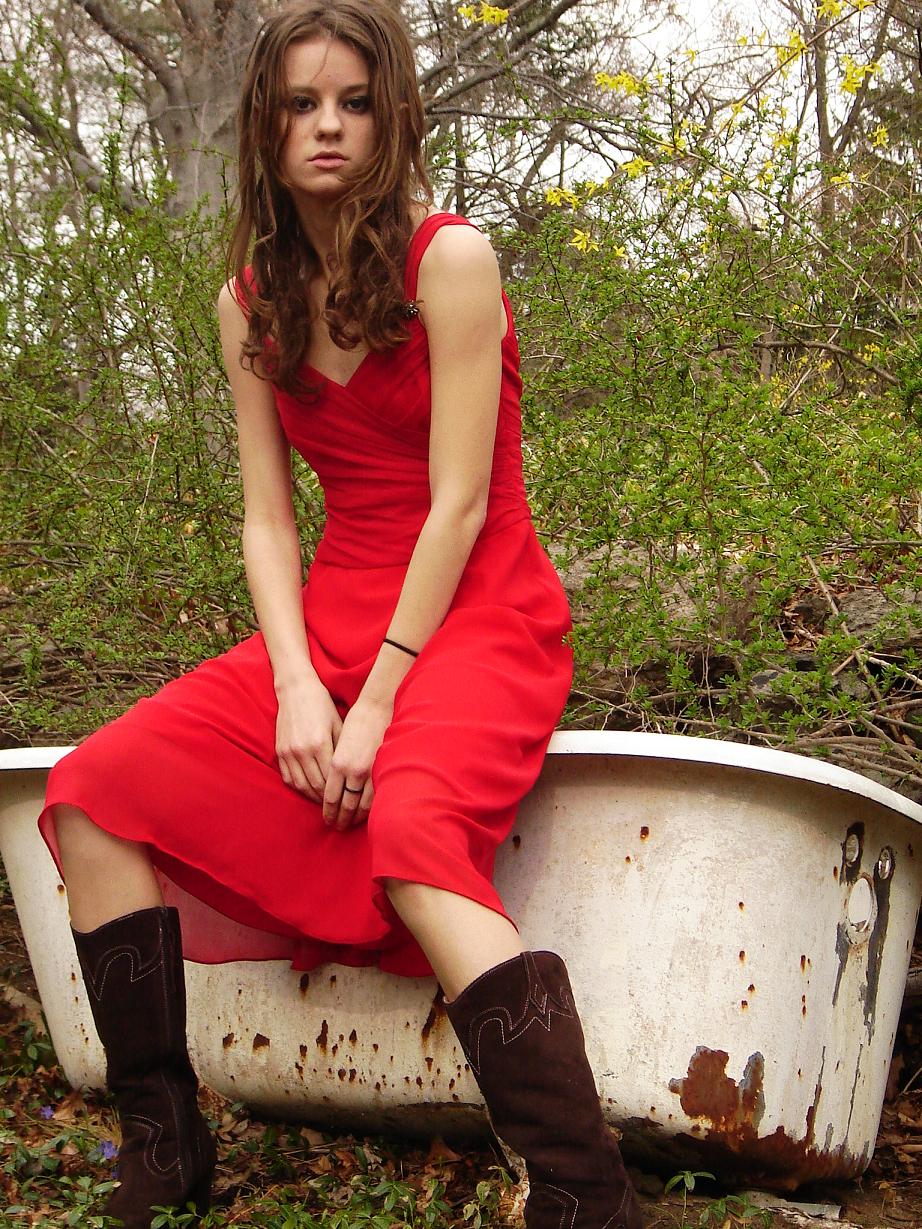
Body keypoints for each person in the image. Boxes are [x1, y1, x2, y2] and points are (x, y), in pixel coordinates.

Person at [38, 3, 643, 1227]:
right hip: (330, 619)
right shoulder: (248, 296)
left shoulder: (448, 262)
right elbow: (268, 519)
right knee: (94, 789)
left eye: (354, 102)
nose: (327, 127)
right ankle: (163, 1141)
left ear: (393, 115)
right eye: (300, 103)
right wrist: (297, 684)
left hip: (473, 611)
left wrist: (373, 701)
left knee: (414, 831)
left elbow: (461, 504)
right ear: (262, 124)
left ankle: (585, 1190)